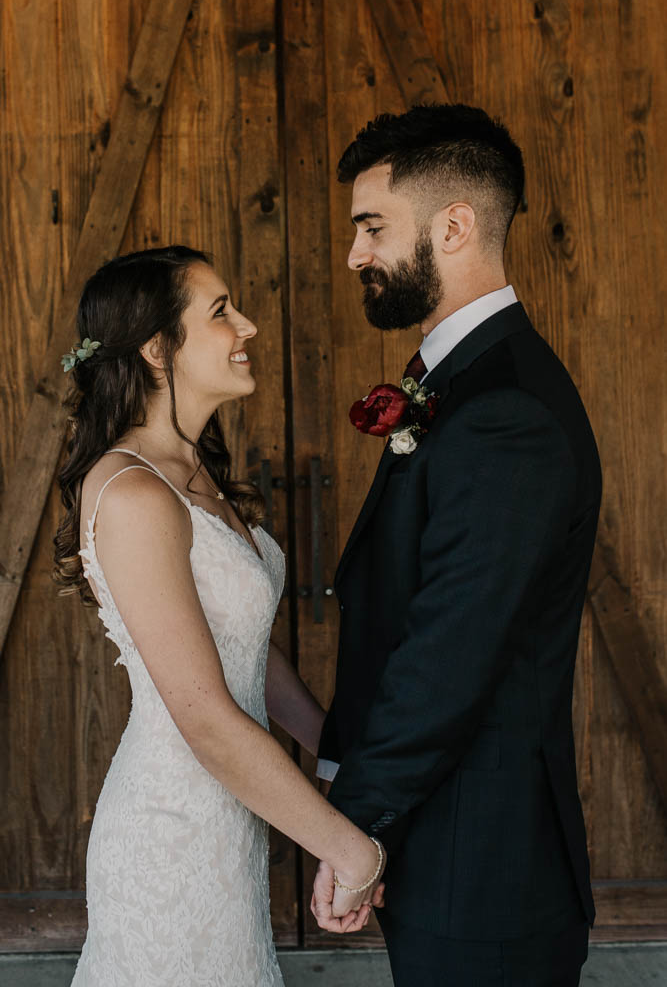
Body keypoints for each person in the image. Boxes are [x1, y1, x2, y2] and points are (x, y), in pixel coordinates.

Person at [311, 105, 601, 986]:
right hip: (453, 849)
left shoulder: (504, 409)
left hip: (484, 867)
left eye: (371, 227)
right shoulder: (458, 379)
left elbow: (450, 653)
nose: (356, 253)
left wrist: (353, 825)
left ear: (453, 225)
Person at [54, 246, 384, 987]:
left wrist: (336, 753)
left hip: (228, 819)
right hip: (170, 831)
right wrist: (349, 850)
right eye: (220, 311)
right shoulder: (135, 494)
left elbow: (243, 647)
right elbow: (202, 716)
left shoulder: (193, 470)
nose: (250, 326)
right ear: (155, 349)